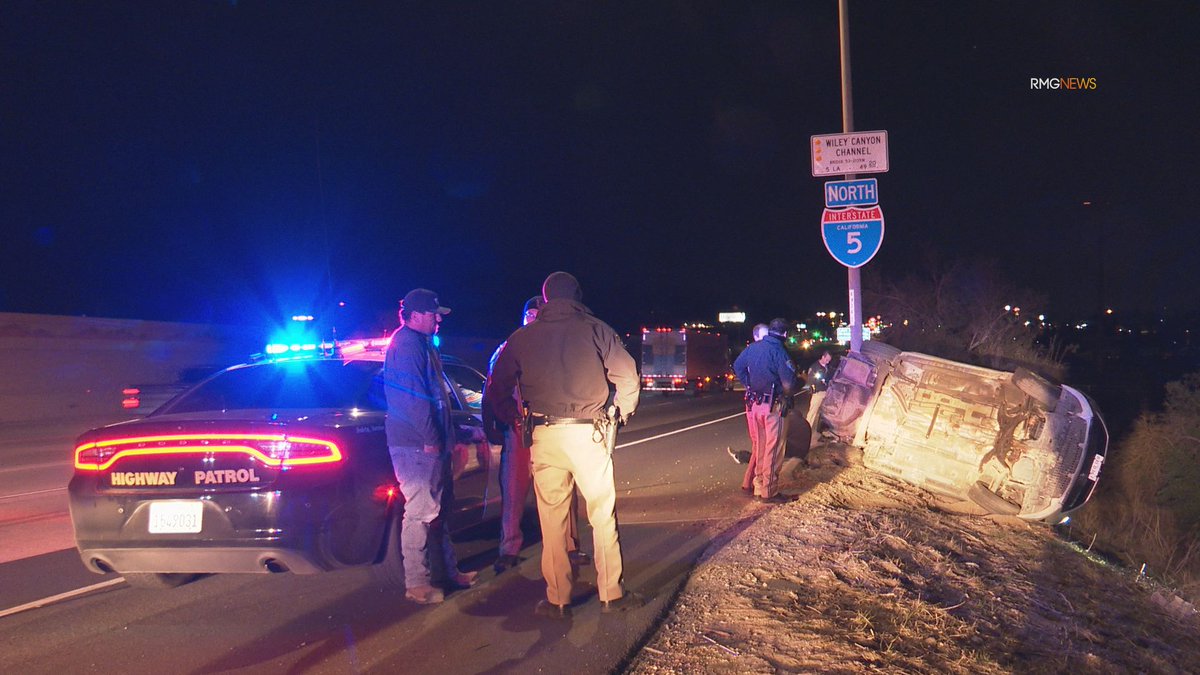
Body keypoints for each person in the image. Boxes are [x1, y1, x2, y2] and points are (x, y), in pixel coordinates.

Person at [486, 271, 643, 618]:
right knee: (601, 514)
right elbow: (628, 376)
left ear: (545, 298)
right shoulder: (596, 329)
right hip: (590, 433)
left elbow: (496, 387)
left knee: (552, 517)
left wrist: (512, 414)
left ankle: (558, 598)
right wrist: (621, 411)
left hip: (544, 434)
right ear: (577, 295)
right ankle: (611, 594)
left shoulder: (522, 337)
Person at [384, 288, 478, 605]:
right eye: (434, 313)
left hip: (427, 442)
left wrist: (448, 436)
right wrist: (432, 440)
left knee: (437, 511)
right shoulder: (407, 346)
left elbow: (435, 398)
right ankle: (417, 582)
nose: (439, 319)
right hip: (415, 445)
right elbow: (413, 399)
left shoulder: (422, 344)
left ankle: (448, 573)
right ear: (418, 315)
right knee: (421, 512)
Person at [483, 295, 588, 574]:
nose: (533, 318)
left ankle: (569, 546)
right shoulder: (509, 347)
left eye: (538, 314)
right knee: (513, 492)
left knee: (562, 487)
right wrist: (502, 420)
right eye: (529, 313)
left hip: (550, 428)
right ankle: (508, 548)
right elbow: (493, 389)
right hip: (517, 432)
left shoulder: (556, 348)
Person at [732, 318, 797, 503]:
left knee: (760, 446)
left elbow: (737, 366)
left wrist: (749, 385)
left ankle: (759, 485)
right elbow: (789, 382)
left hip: (756, 406)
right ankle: (769, 492)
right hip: (773, 407)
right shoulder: (779, 351)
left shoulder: (753, 347)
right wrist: (787, 393)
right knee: (773, 448)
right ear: (784, 334)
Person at [738, 322, 771, 491]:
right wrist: (749, 384)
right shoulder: (754, 350)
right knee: (760, 444)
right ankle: (751, 482)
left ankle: (751, 481)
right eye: (764, 335)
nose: (767, 338)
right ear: (756, 336)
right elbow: (737, 367)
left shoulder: (757, 351)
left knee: (759, 444)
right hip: (754, 403)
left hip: (756, 402)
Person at [804, 350, 833, 444]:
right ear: (823, 357)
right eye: (827, 359)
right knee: (812, 412)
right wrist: (813, 386)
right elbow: (810, 380)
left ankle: (818, 431)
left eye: (829, 360)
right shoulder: (815, 367)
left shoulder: (826, 367)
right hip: (818, 393)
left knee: (822, 413)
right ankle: (805, 431)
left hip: (826, 392)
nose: (828, 361)